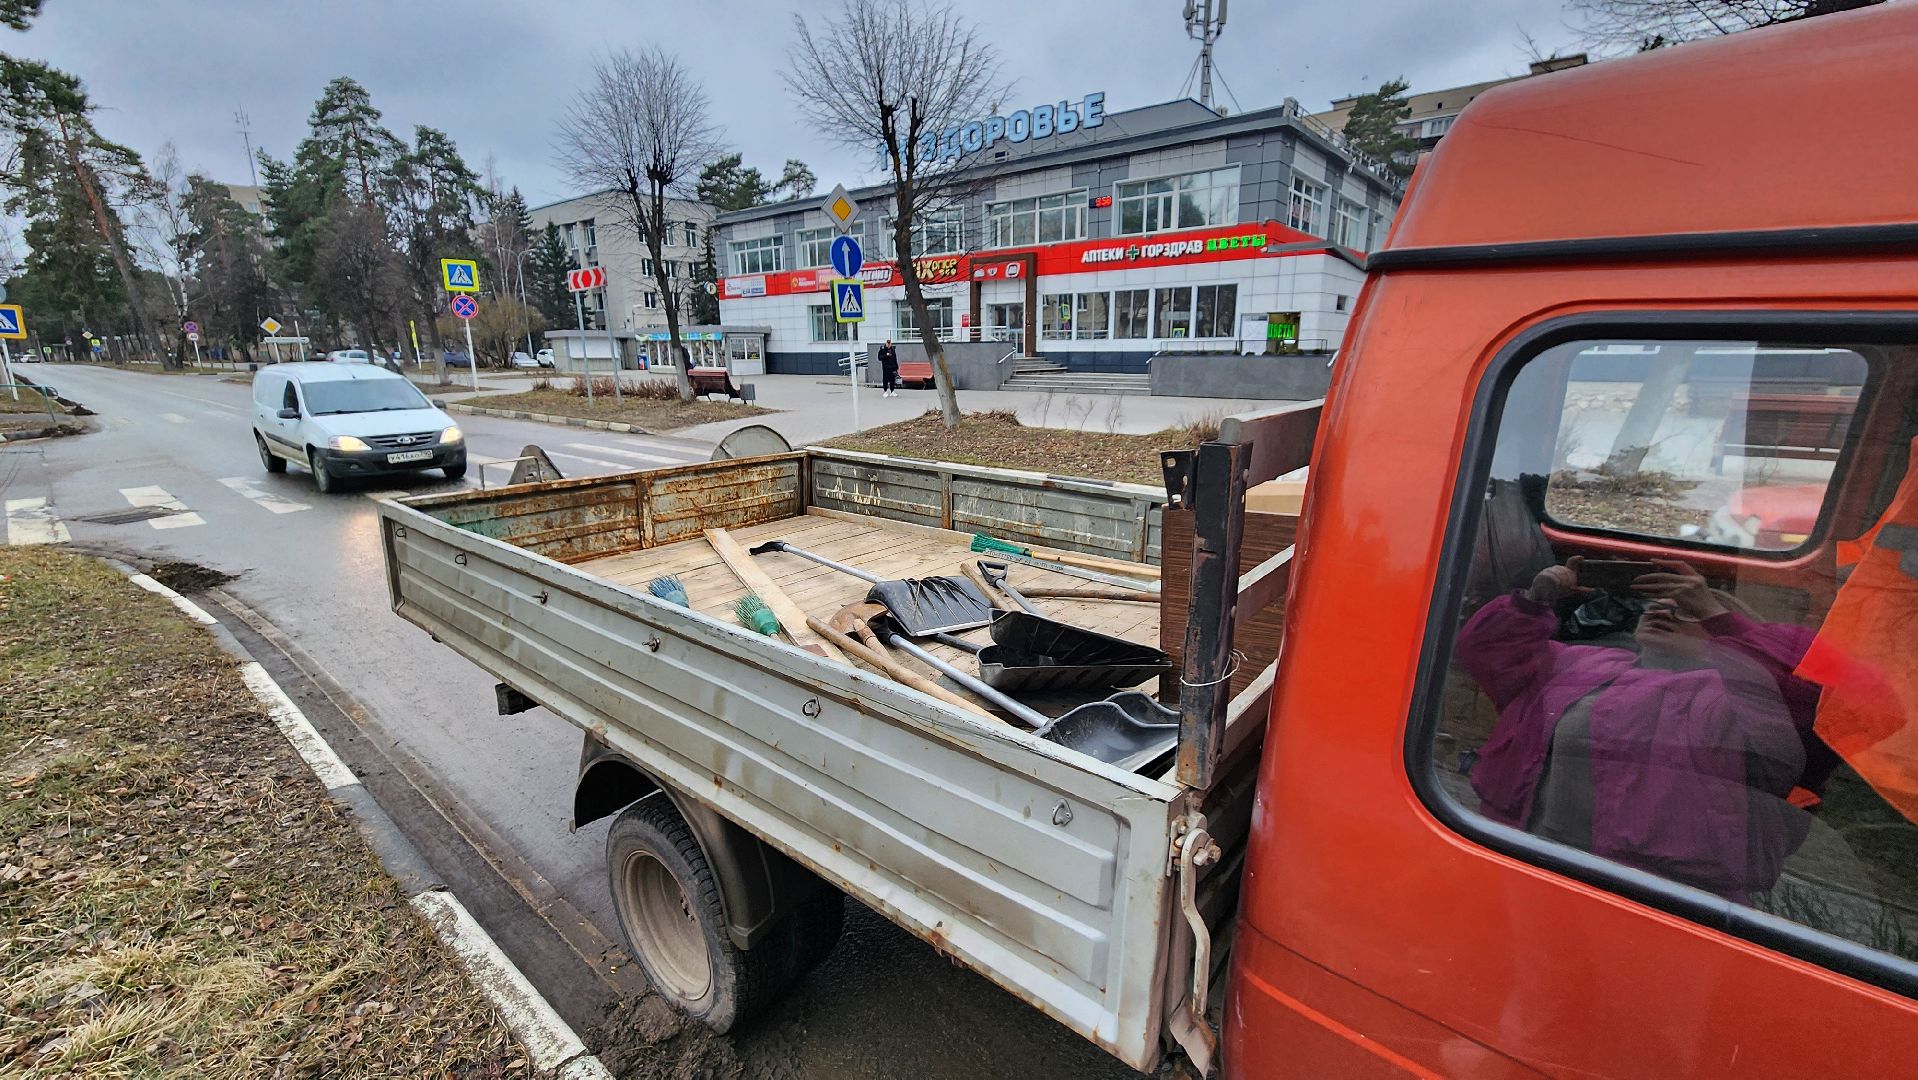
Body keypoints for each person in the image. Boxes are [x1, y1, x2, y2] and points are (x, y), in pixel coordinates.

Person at [1456, 556, 1819, 902]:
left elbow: (1807, 695)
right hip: (1523, 858)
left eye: (1685, 609)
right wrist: (1534, 602)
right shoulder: (1583, 661)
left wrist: (1716, 615)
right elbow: (1489, 653)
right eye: (1654, 605)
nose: (1662, 612)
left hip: (1657, 896)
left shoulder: (1735, 699)